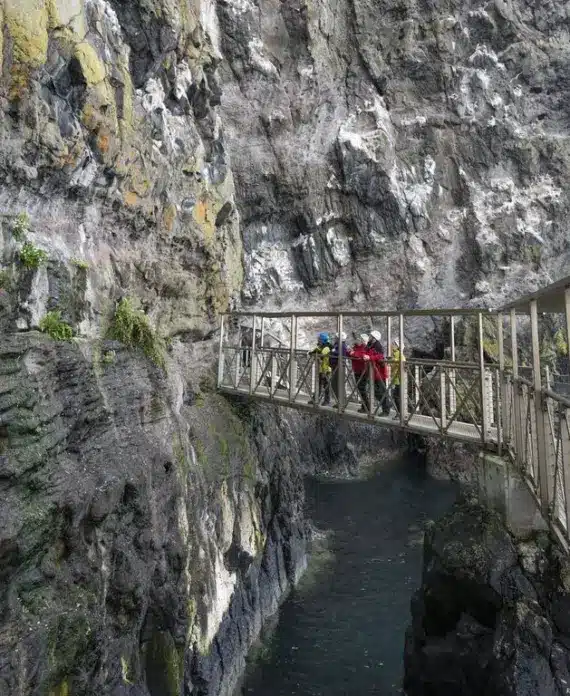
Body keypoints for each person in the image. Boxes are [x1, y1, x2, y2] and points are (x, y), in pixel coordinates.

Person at [365, 330, 391, 415]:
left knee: (381, 391)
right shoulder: (370, 345)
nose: (369, 337)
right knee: (376, 391)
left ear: (374, 338)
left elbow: (379, 356)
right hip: (373, 372)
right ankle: (386, 406)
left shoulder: (377, 346)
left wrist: (369, 357)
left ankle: (386, 409)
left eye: (371, 336)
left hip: (379, 372)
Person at [348, 334, 370, 412]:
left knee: (362, 388)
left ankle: (366, 406)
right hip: (357, 370)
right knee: (360, 388)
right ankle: (364, 406)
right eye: (359, 339)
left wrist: (353, 353)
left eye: (360, 339)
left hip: (363, 370)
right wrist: (350, 351)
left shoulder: (366, 348)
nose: (358, 340)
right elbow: (353, 354)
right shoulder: (357, 347)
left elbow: (361, 356)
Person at [308, 332, 332, 405]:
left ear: (323, 340)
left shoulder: (327, 347)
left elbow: (322, 354)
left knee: (326, 385)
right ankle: (316, 398)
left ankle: (327, 401)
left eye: (319, 339)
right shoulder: (322, 346)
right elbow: (315, 351)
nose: (318, 340)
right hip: (322, 368)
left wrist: (315, 353)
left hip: (327, 369)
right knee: (319, 384)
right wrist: (311, 352)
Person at [330, 331, 349, 406]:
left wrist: (333, 352)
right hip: (335, 366)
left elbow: (340, 354)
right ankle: (340, 401)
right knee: (335, 384)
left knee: (338, 383)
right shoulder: (337, 345)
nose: (335, 338)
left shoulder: (342, 346)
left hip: (339, 366)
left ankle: (342, 402)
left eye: (336, 338)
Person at [391, 337, 406, 419]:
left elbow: (402, 364)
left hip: (398, 378)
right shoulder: (395, 353)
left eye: (394, 344)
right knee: (396, 396)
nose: (392, 345)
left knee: (397, 396)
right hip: (395, 377)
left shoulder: (399, 354)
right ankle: (400, 413)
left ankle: (400, 414)